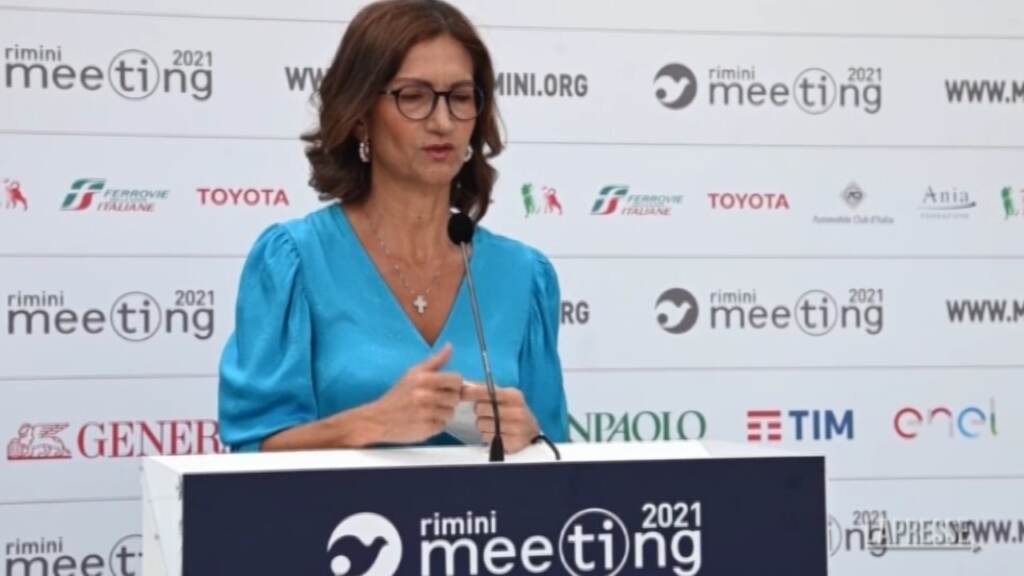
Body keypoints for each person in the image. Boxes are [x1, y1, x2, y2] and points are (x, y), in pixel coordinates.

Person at [218, 0, 569, 454]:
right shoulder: (294, 261)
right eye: (413, 96)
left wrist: (533, 436)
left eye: (461, 97)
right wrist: (371, 423)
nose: (442, 122)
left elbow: (562, 462)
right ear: (360, 116)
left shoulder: (524, 276)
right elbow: (250, 453)